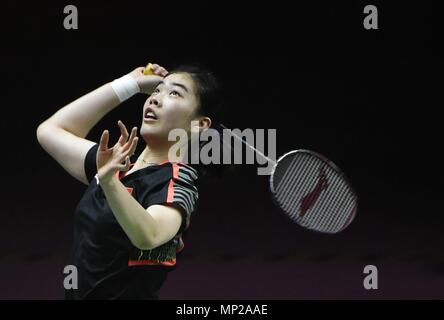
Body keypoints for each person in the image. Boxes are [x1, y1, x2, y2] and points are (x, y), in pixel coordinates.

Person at [36, 62, 222, 299]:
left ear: (200, 125)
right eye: (156, 91)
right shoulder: (118, 166)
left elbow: (149, 235)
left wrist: (109, 183)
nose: (155, 99)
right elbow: (50, 131)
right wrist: (129, 84)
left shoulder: (178, 182)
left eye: (174, 93)